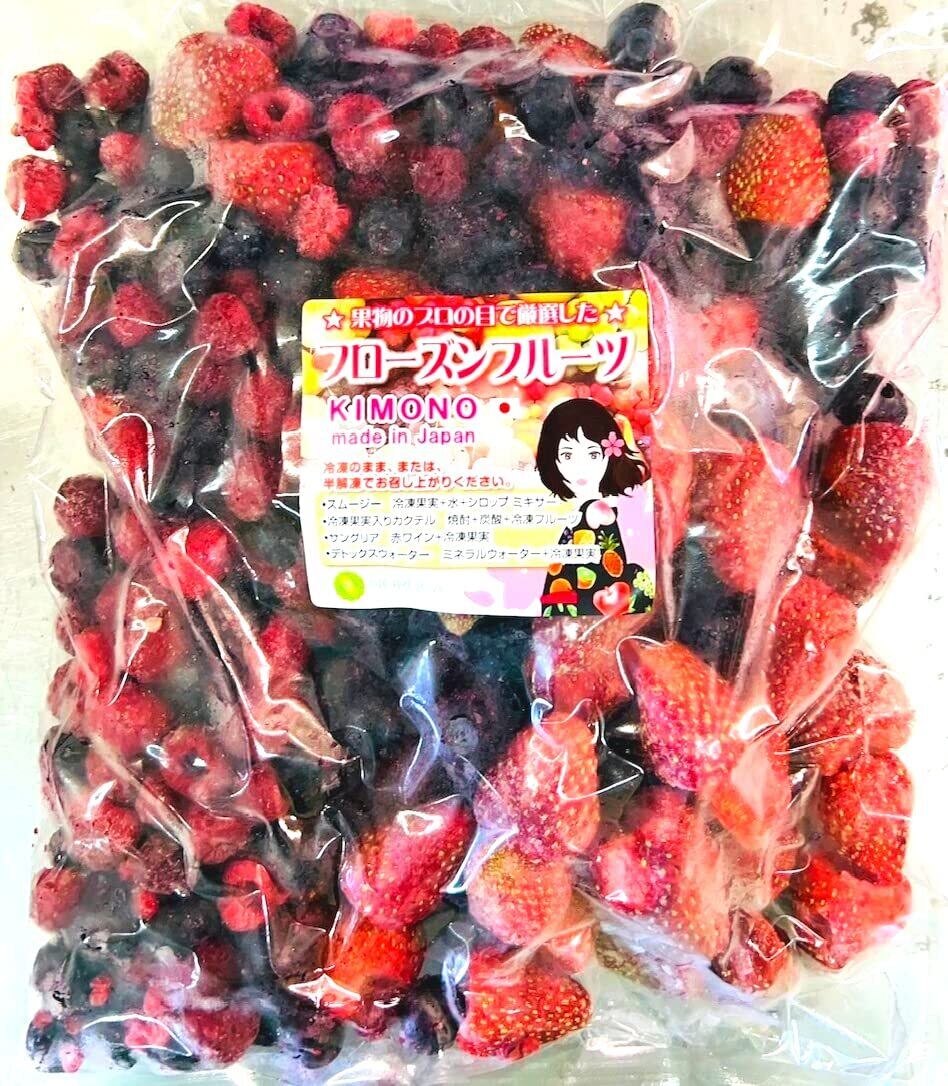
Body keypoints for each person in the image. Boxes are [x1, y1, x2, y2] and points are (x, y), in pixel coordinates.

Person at [535, 398, 653, 617]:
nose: (581, 467)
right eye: (567, 455)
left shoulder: (595, 510)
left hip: (575, 604)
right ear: (552, 459)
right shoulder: (593, 509)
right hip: (579, 602)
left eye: (593, 454)